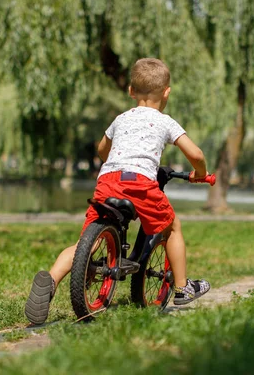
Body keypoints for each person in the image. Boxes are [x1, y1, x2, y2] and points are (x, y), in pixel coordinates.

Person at [25, 58, 211, 325]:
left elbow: (102, 149)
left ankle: (51, 280)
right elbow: (196, 154)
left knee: (82, 247)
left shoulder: (121, 119)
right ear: (167, 92)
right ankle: (182, 288)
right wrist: (201, 174)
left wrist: (114, 161)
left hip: (108, 180)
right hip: (141, 184)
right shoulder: (165, 122)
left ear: (130, 91)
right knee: (172, 227)